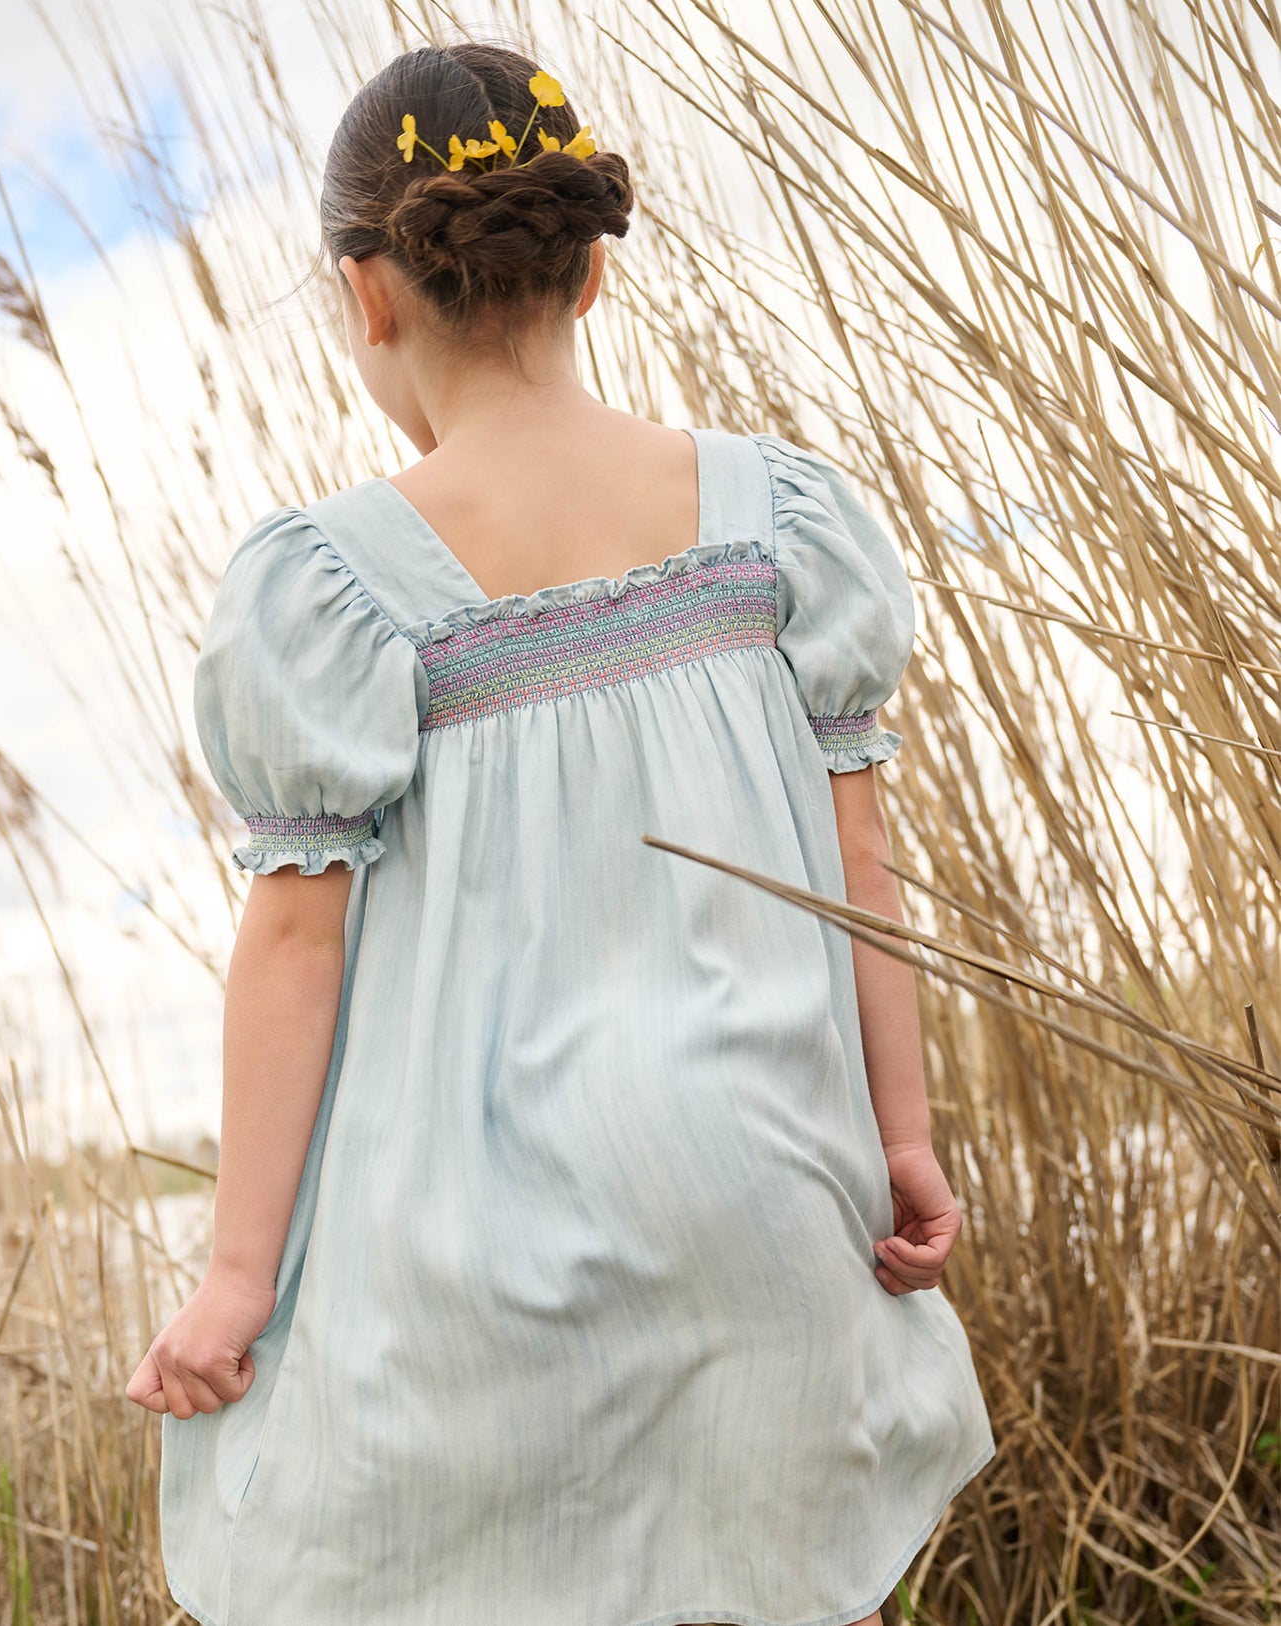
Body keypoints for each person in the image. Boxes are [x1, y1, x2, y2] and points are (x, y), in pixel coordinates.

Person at [126, 37, 996, 1626]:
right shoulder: (777, 520)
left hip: (475, 1269)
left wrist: (239, 1276)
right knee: (791, 1584)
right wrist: (901, 1140)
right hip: (766, 1216)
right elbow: (861, 878)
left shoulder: (332, 584)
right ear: (591, 273)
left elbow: (293, 944)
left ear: (364, 294)